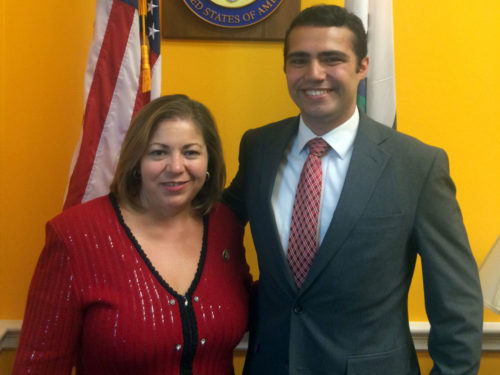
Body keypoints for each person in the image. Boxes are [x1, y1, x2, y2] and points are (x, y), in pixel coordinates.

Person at [223, 5, 483, 375]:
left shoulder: (417, 166)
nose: (314, 74)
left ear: (363, 66)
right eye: (300, 60)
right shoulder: (258, 148)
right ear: (285, 69)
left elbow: (457, 304)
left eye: (332, 59)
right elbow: (218, 219)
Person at [13, 94, 252, 375]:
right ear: (136, 160)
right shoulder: (75, 236)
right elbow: (39, 366)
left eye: (191, 152)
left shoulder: (225, 225)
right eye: (158, 152)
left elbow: (252, 304)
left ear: (209, 160)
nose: (176, 167)